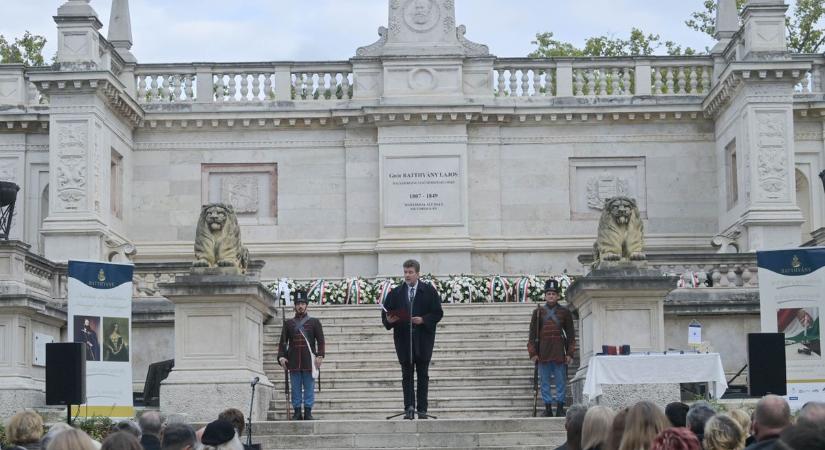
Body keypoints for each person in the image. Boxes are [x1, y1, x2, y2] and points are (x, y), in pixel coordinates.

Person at [381, 259, 444, 419]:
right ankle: (409, 408)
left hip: (423, 340)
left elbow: (438, 313)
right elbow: (386, 314)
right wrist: (389, 320)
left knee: (423, 375)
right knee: (406, 375)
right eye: (405, 272)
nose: (407, 275)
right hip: (404, 341)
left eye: (410, 272)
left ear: (417, 273)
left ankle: (422, 409)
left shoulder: (428, 291)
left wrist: (423, 320)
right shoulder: (396, 293)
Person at [527, 278, 575, 417]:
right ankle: (548, 409)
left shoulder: (564, 312)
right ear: (545, 295)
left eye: (554, 294)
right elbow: (531, 335)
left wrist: (570, 353)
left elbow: (571, 335)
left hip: (559, 353)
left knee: (560, 382)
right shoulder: (538, 313)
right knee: (545, 383)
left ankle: (560, 408)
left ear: (558, 296)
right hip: (543, 354)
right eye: (549, 294)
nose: (551, 296)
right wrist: (533, 353)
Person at [277, 289, 325, 420]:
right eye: (298, 303)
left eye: (303, 303)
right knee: (296, 388)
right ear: (294, 306)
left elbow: (321, 340)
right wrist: (281, 357)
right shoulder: (288, 324)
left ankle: (308, 412)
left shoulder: (314, 322)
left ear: (307, 305)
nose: (300, 306)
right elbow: (282, 342)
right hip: (293, 361)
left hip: (309, 361)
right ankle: (297, 412)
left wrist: (320, 355)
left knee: (309, 388)